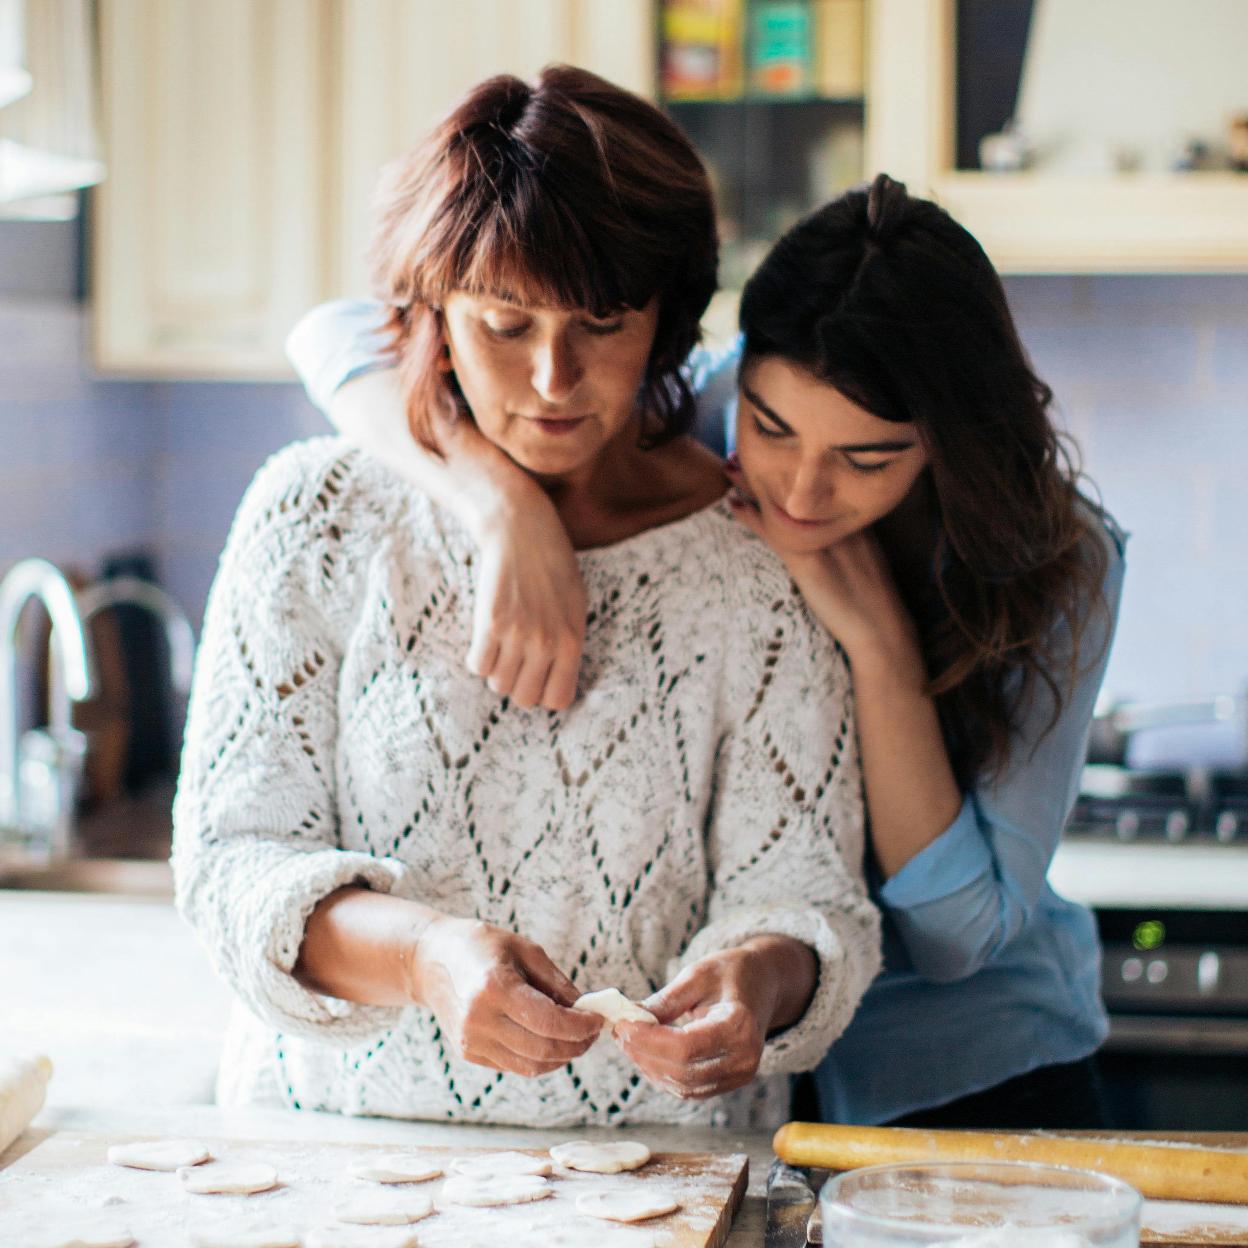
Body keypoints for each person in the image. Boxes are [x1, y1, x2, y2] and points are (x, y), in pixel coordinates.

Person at [287, 169, 1127, 1129]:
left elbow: (956, 937)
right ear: (742, 373)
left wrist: (880, 650)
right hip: (738, 1090)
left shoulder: (1061, 560)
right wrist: (499, 507)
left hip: (963, 1072)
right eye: (770, 430)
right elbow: (339, 335)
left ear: (944, 442)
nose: (804, 491)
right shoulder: (697, 404)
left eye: (869, 458)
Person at [173, 64, 880, 1130]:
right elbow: (231, 866)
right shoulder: (315, 516)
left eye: (602, 322)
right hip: (333, 1172)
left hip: (664, 1183)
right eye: (506, 324)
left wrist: (757, 981)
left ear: (668, 319)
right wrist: (423, 958)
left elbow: (811, 895)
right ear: (433, 314)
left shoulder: (755, 562)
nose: (556, 379)